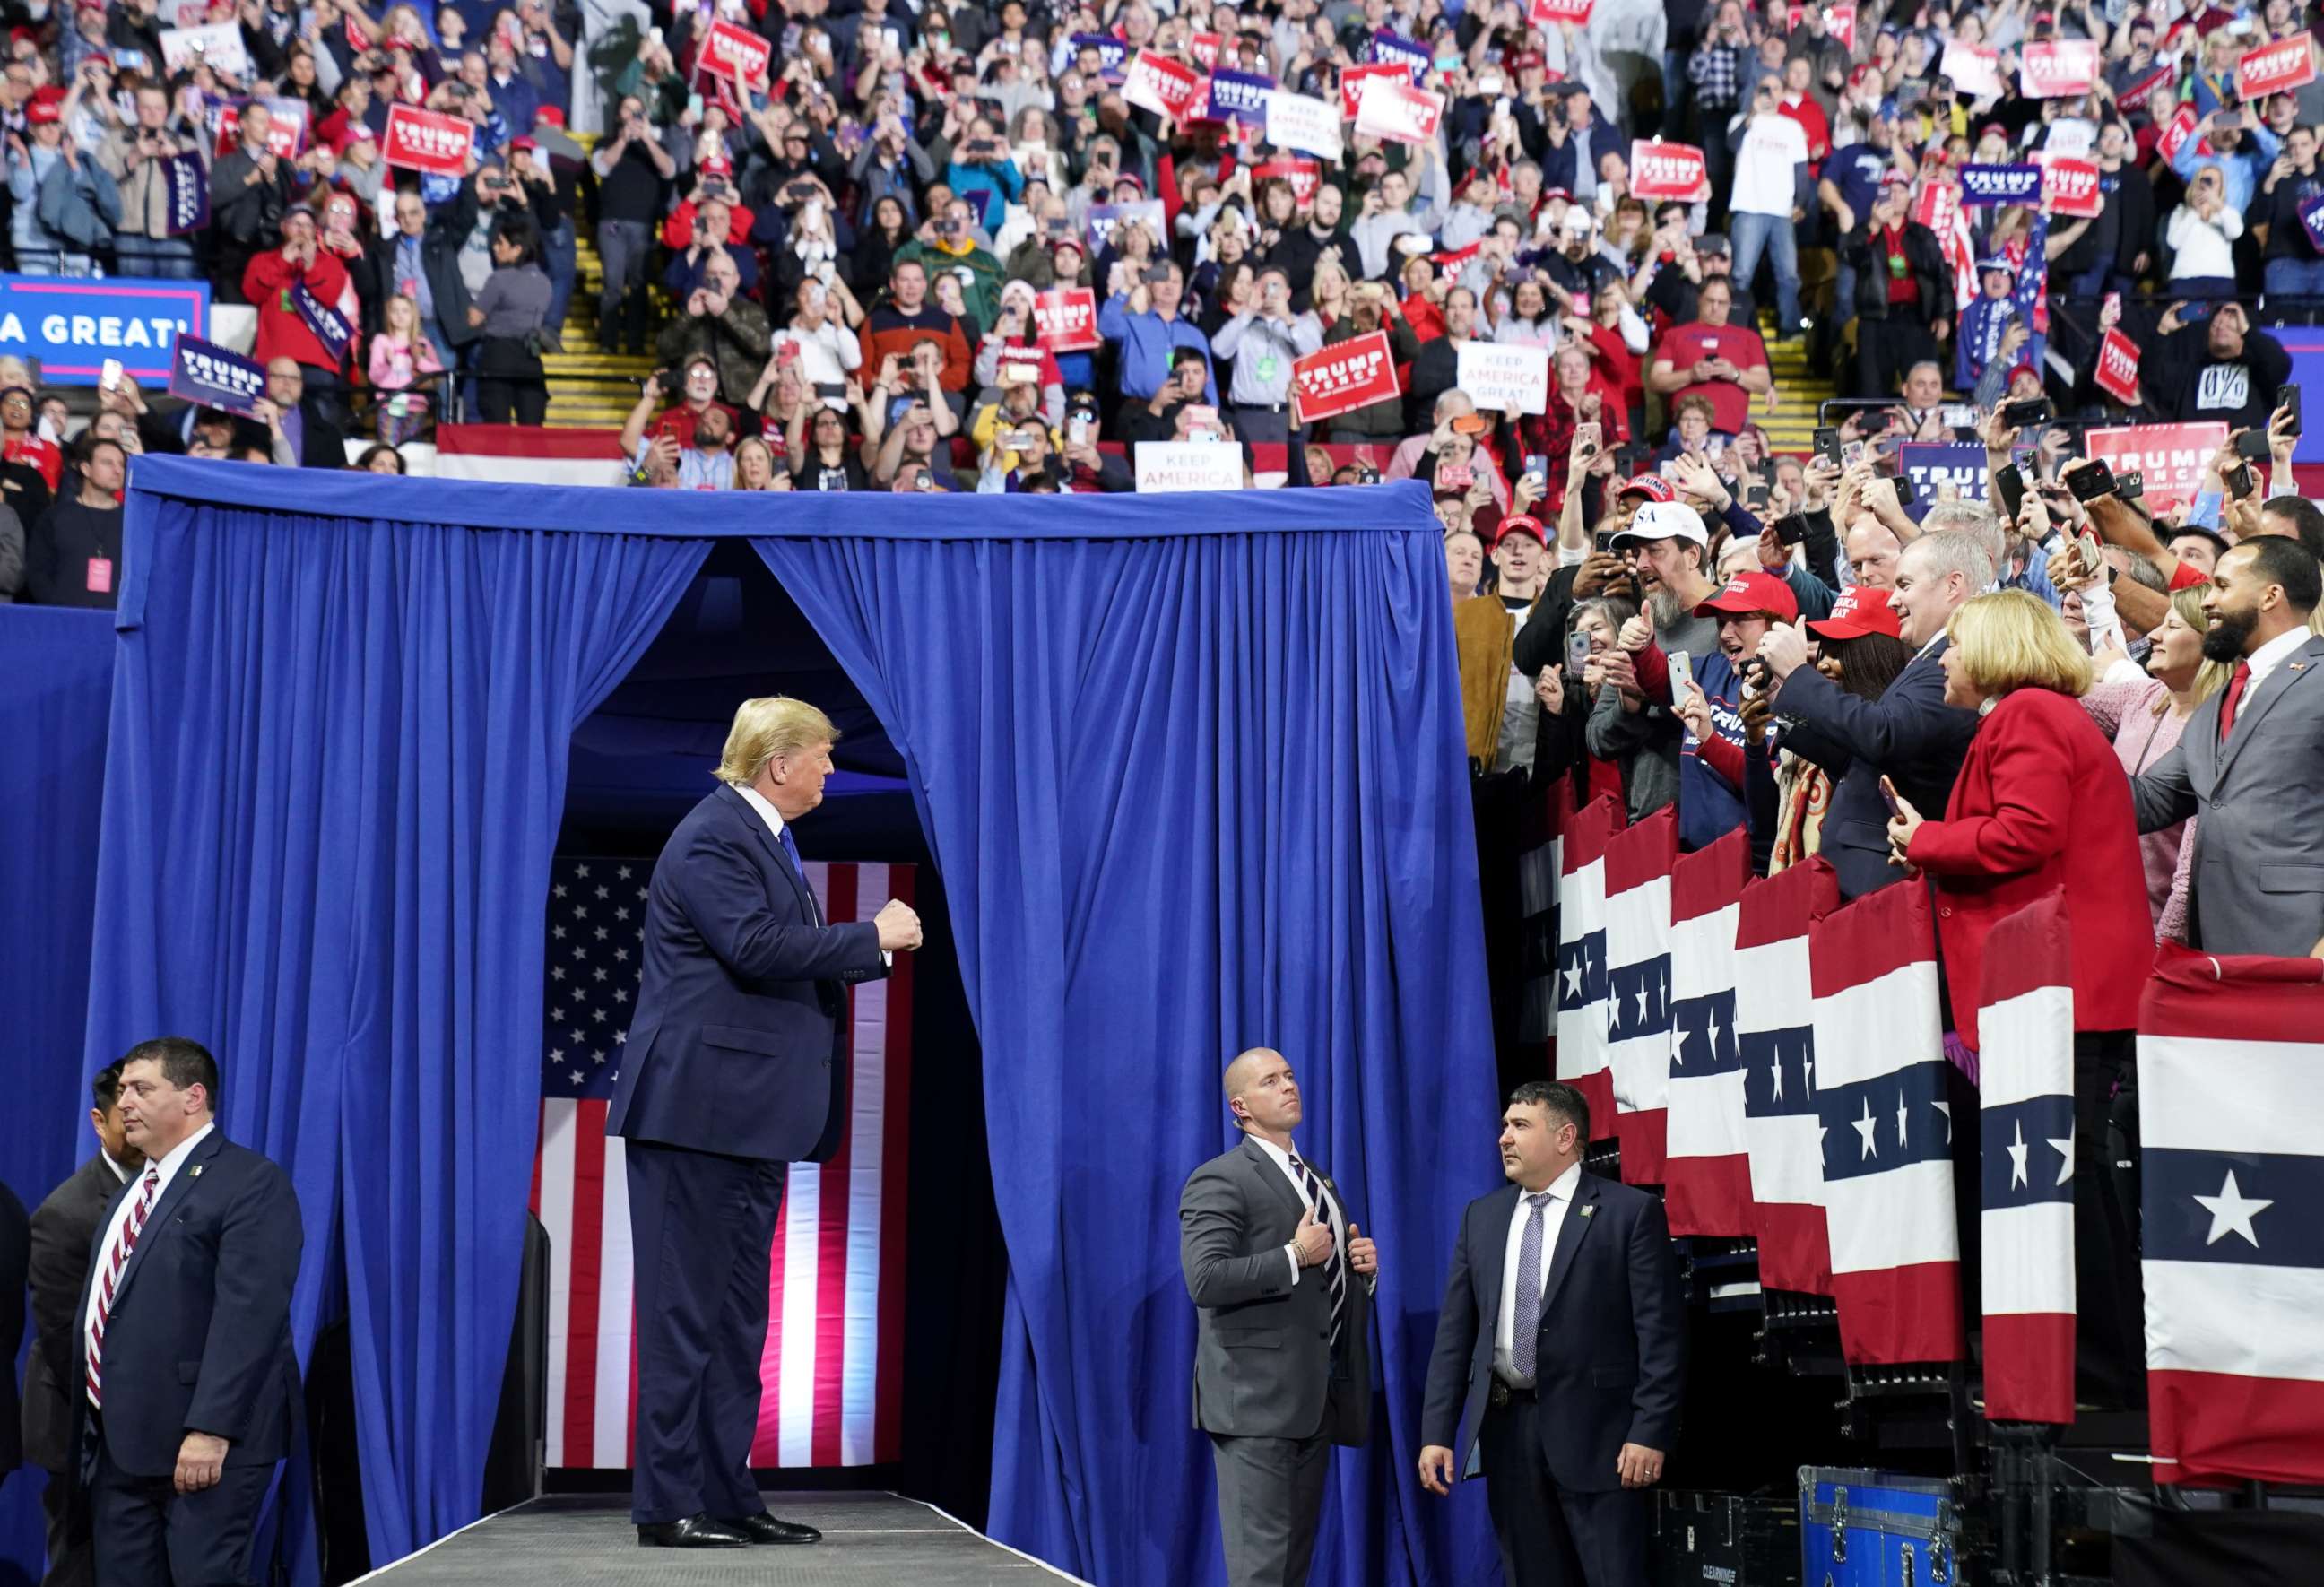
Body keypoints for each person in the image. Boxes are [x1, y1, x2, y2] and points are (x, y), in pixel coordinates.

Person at [605, 698, 923, 1548]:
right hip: (695, 1115)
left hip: (747, 1120)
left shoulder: (767, 842)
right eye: (822, 756)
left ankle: (728, 1495)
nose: (830, 770)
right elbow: (752, 946)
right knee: (684, 1314)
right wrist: (874, 935)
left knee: (737, 1321)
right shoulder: (714, 833)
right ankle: (667, 1505)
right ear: (777, 762)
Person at [1884, 591, 2152, 1407]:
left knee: (2071, 1182)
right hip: (2057, 987)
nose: (1946, 665)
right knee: (2070, 1180)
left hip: (2061, 989)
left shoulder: (2028, 716)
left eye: (1956, 648)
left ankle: (2105, 1373)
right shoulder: (2032, 716)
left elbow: (2023, 832)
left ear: (1996, 647)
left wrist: (1926, 839)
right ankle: (2091, 1368)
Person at [1417, 1081, 1683, 1587]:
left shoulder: (1628, 1214)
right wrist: (1436, 1433)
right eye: (1503, 1126)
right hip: (1508, 1432)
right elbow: (1455, 1337)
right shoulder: (1483, 1217)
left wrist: (1650, 1431)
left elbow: (1662, 1338)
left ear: (1566, 1137)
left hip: (1602, 1440)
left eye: (1520, 1126)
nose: (1503, 1138)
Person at [79, 1038, 303, 1587]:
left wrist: (210, 1429)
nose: (123, 1100)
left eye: (141, 1088)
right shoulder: (130, 1193)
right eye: (122, 1089)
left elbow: (249, 1317)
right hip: (120, 1447)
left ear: (193, 1097)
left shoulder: (249, 1182)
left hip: (200, 1448)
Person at [1180, 1046, 1378, 1587]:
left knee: (1293, 1567)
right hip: (1255, 1404)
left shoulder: (1316, 1178)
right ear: (1240, 1107)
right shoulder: (1220, 1178)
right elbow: (1205, 1279)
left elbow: (1323, 1281)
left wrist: (1360, 1270)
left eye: (1290, 1075)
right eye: (1271, 1081)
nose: (1289, 1086)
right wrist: (1295, 1256)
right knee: (1261, 1571)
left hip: (1314, 1401)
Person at [1755, 532, 1988, 899]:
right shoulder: (1931, 657)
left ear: (1952, 585)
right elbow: (1868, 761)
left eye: (1905, 584)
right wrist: (1783, 695)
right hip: (1869, 875)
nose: (1894, 600)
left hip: (1887, 879)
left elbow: (1884, 734)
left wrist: (1799, 675)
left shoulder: (1958, 659)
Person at [2128, 538, 2324, 958]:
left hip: (2304, 941)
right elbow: (2147, 801)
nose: (2208, 601)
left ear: (2271, 596)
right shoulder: (2219, 700)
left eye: (2221, 586)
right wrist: (2058, 745)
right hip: (2217, 941)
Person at [23, 1061, 143, 1587]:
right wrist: (121, 1421)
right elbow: (62, 1337)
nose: (139, 1133)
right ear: (99, 1122)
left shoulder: (178, 1190)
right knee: (82, 1566)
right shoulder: (66, 1213)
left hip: (145, 1426)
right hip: (80, 1428)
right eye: (126, 1121)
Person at [467, 214, 553, 426]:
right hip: (531, 358)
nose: (495, 248)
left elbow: (474, 319)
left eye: (500, 243)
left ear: (517, 249)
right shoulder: (545, 282)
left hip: (498, 354)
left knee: (497, 426)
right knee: (532, 427)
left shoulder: (499, 279)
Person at [22, 437, 124, 608]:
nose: (118, 470)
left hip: (117, 623)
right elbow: (37, 573)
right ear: (85, 468)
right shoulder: (55, 517)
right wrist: (59, 610)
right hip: (64, 621)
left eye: (122, 464)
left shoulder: (133, 522)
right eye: (108, 463)